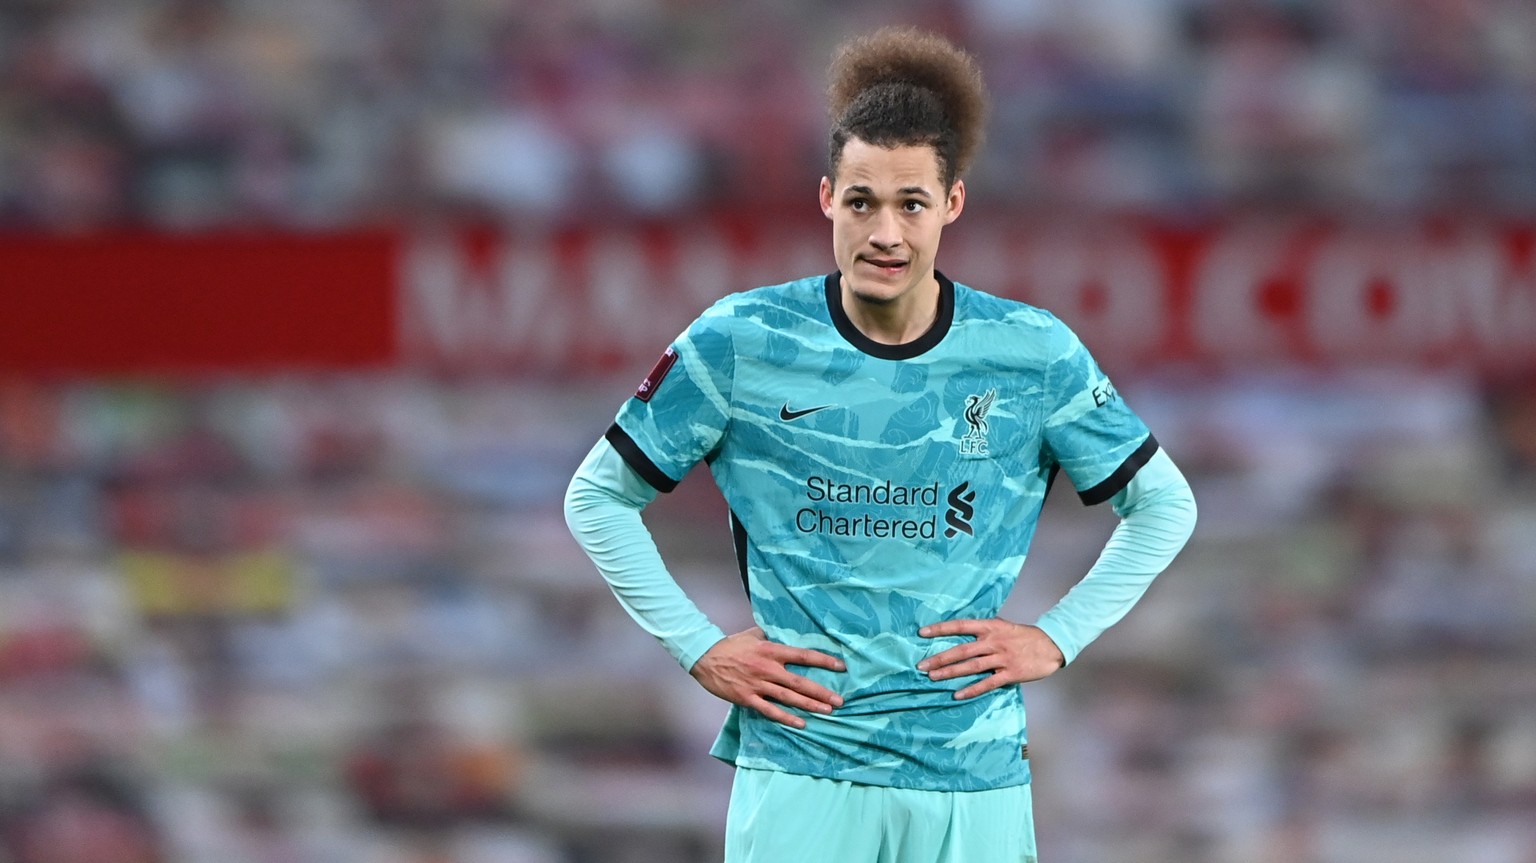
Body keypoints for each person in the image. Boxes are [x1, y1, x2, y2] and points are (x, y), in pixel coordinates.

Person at [564, 25, 1197, 863]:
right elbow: (597, 496)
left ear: (953, 204)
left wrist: (1057, 634)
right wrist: (698, 645)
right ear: (828, 197)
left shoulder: (1029, 351)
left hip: (973, 778)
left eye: (911, 203)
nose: (886, 233)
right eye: (862, 201)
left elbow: (1164, 504)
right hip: (802, 773)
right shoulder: (743, 339)